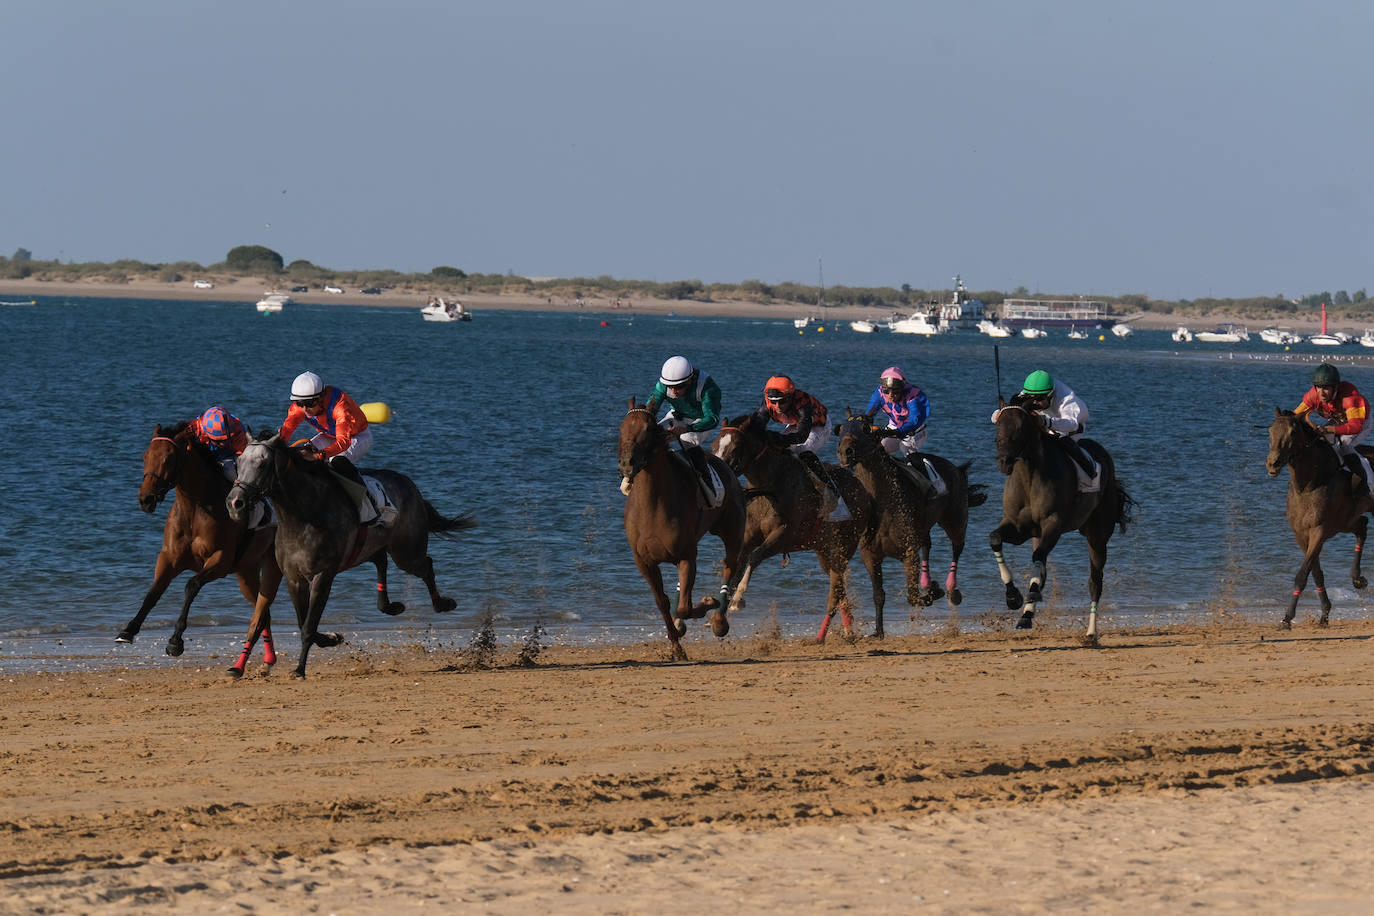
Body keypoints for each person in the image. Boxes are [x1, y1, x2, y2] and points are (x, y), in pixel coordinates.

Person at [279, 371, 381, 520]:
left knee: (336, 461)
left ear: (320, 398)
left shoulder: (340, 407)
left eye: (309, 403)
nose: (305, 409)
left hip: (357, 437)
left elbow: (343, 443)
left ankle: (369, 505)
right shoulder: (299, 407)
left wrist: (318, 455)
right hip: (329, 434)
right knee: (301, 453)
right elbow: (287, 429)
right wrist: (276, 444)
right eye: (300, 403)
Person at [755, 375, 847, 519]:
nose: (777, 407)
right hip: (795, 424)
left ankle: (838, 500)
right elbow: (756, 427)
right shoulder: (767, 404)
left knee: (802, 450)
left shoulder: (803, 403)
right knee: (774, 451)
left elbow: (802, 437)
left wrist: (776, 438)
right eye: (773, 402)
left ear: (790, 397)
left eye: (782, 402)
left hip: (818, 426)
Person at [643, 356, 722, 502]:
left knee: (686, 441)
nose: (673, 392)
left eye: (679, 387)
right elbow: (650, 410)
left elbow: (712, 419)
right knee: (653, 436)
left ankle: (707, 486)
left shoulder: (708, 388)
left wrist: (688, 428)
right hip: (677, 416)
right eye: (670, 387)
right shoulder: (663, 386)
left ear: (690, 380)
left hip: (700, 421)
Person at [997, 369, 1096, 478]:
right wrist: (998, 415)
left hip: (1070, 426)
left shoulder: (1067, 400)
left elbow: (1072, 424)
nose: (1034, 402)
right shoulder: (1029, 393)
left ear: (1051, 395)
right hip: (1047, 420)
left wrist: (1045, 422)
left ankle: (1089, 474)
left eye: (1039, 399)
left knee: (1060, 443)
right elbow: (1010, 411)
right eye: (1031, 398)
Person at [1295, 362, 1372, 497]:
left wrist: (1329, 429)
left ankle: (1363, 485)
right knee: (1318, 441)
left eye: (1326, 388)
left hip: (1360, 422)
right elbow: (1295, 416)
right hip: (1339, 420)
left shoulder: (1349, 398)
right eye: (1318, 387)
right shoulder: (1313, 395)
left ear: (1335, 387)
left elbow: (1355, 427)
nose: (1321, 392)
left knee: (1344, 444)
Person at [864, 366, 930, 462]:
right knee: (877, 449)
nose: (890, 395)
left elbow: (914, 420)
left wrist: (899, 432)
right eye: (887, 391)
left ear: (902, 389)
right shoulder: (879, 393)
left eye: (895, 391)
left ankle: (923, 475)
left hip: (915, 430)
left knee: (905, 447)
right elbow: (868, 415)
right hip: (894, 427)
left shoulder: (913, 395)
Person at [189, 406, 250, 482]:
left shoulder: (238, 432)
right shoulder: (194, 429)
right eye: (218, 441)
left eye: (225, 440)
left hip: (229, 457)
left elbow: (243, 457)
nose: (222, 444)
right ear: (207, 434)